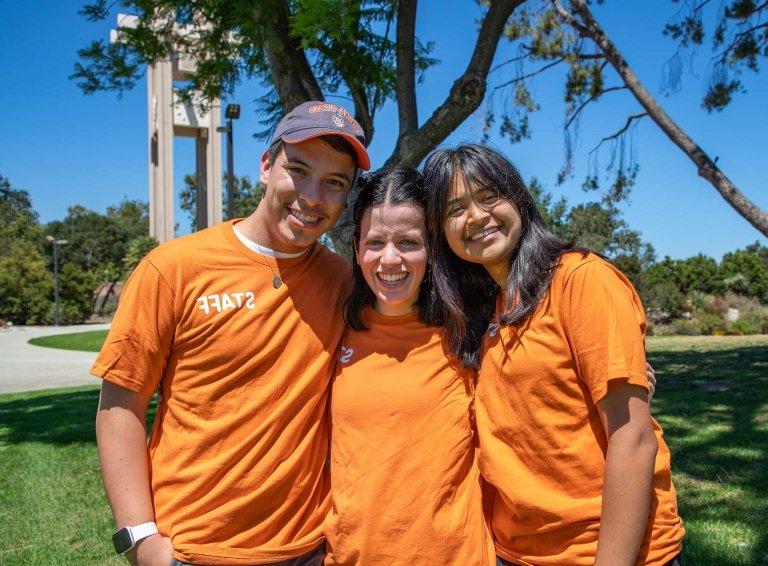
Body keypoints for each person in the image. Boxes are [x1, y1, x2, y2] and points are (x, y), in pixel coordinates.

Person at [92, 101, 370, 566]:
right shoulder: (173, 269)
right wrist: (141, 540)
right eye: (297, 170)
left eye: (334, 183)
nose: (312, 196)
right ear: (266, 166)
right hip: (193, 549)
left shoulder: (345, 282)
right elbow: (120, 405)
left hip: (308, 548)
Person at [423, 144, 685, 566]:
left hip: (606, 551)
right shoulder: (481, 313)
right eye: (455, 209)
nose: (475, 216)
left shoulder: (580, 280)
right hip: (519, 551)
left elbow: (633, 439)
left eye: (489, 196)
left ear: (519, 200)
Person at [323, 168, 496, 565]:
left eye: (408, 242)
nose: (390, 259)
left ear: (432, 248)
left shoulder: (472, 332)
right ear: (355, 247)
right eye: (375, 242)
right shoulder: (331, 329)